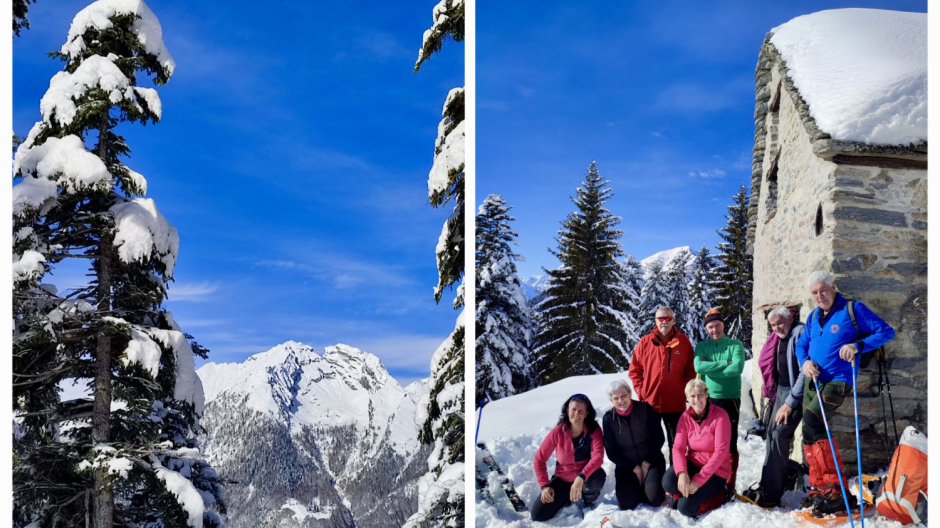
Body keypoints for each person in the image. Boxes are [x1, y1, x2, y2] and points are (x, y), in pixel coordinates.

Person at [796, 270, 895, 515]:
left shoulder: (853, 309)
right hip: (814, 380)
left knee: (812, 421)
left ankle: (837, 490)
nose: (820, 296)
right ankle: (819, 488)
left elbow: (886, 332)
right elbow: (801, 345)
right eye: (815, 293)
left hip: (838, 380)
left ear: (834, 287)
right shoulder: (812, 316)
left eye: (823, 290)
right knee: (809, 431)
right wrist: (804, 363)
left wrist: (857, 345)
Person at [743, 306, 806, 508]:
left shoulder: (800, 333)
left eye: (780, 322)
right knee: (771, 435)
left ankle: (771, 494)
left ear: (790, 318)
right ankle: (768, 485)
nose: (777, 327)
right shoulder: (779, 338)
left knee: (779, 435)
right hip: (781, 389)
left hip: (797, 393)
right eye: (773, 325)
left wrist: (790, 402)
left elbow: (805, 370)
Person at [628, 306, 696, 462]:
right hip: (651, 404)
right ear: (655, 321)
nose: (664, 321)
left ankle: (675, 475)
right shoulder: (645, 342)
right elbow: (634, 370)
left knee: (677, 444)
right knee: (651, 443)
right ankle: (654, 477)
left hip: (675, 405)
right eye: (661, 318)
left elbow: (691, 371)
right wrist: (641, 391)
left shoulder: (683, 342)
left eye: (668, 318)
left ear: (673, 320)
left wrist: (684, 392)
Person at [662, 379, 731, 518]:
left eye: (700, 394)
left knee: (685, 508)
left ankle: (721, 495)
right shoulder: (685, 417)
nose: (696, 399)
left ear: (706, 394)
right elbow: (678, 448)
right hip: (694, 462)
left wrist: (699, 480)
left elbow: (721, 452)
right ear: (687, 398)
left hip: (716, 470)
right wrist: (682, 473)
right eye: (692, 396)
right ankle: (688, 493)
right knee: (668, 482)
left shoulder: (720, 416)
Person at [531, 394, 607, 521]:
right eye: (574, 410)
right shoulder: (558, 431)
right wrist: (545, 486)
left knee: (598, 476)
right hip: (563, 479)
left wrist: (581, 477)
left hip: (586, 477)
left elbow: (598, 457)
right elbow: (539, 459)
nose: (577, 413)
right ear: (567, 411)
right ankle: (567, 497)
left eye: (581, 410)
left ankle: (587, 500)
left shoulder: (594, 430)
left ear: (587, 413)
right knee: (538, 515)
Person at [693, 308, 745, 489]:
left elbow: (736, 369)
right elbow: (698, 365)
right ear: (706, 329)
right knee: (710, 441)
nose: (714, 330)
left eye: (717, 325)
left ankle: (729, 483)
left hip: (730, 400)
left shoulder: (735, 345)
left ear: (723, 325)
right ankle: (712, 477)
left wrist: (711, 369)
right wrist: (724, 363)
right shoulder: (702, 347)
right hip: (709, 400)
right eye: (710, 327)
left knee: (729, 441)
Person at [602, 380, 666, 510]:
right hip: (626, 465)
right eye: (616, 398)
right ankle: (637, 488)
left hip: (651, 459)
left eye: (624, 395)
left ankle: (647, 487)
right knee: (626, 503)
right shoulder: (609, 419)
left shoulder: (645, 409)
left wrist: (646, 463)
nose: (621, 400)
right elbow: (611, 452)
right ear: (611, 401)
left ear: (630, 393)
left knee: (654, 499)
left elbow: (659, 438)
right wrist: (634, 468)